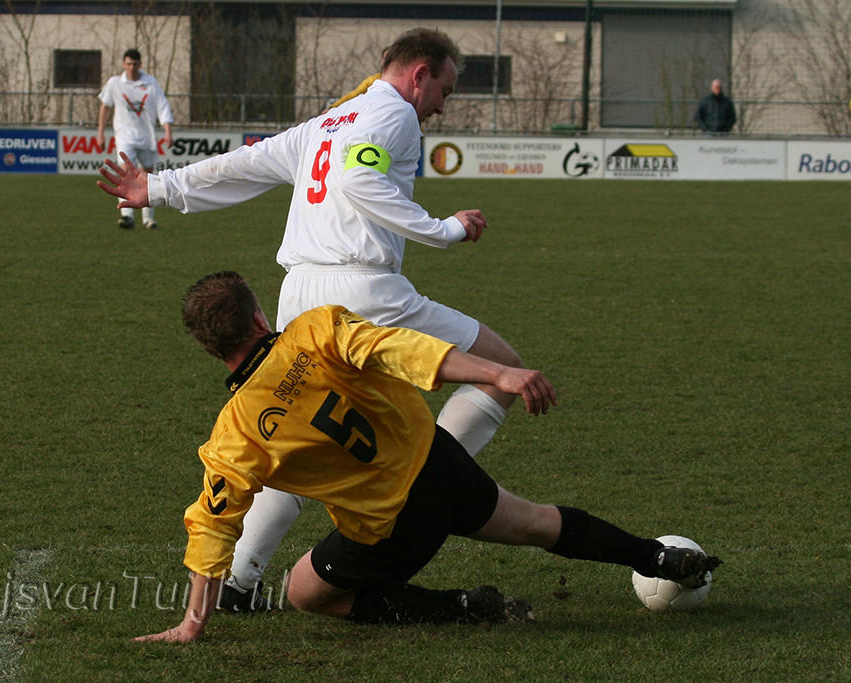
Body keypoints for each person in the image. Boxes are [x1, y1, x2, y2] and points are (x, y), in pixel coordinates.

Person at [99, 28, 531, 611]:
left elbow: (247, 163)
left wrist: (161, 186)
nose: (441, 106)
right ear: (419, 74)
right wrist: (444, 229)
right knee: (502, 369)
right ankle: (427, 481)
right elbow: (358, 180)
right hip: (362, 289)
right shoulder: (394, 113)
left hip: (299, 292)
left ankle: (237, 583)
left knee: (301, 435)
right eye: (445, 91)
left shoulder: (329, 121)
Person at [133, 271, 721, 644]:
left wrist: (193, 623)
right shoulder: (316, 330)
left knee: (304, 594)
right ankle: (659, 556)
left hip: (389, 528)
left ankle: (462, 607)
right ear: (260, 317)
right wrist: (499, 372)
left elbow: (212, 525)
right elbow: (402, 348)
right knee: (539, 523)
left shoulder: (236, 432)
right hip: (442, 465)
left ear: (211, 349)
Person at [97, 49, 173, 230]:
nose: (132, 67)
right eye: (128, 64)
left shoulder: (150, 82)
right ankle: (127, 216)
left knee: (148, 177)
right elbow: (105, 108)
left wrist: (168, 131)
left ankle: (148, 219)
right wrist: (100, 133)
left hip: (147, 136)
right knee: (125, 173)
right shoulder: (115, 83)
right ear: (123, 64)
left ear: (140, 64)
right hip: (125, 136)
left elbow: (163, 106)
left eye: (135, 64)